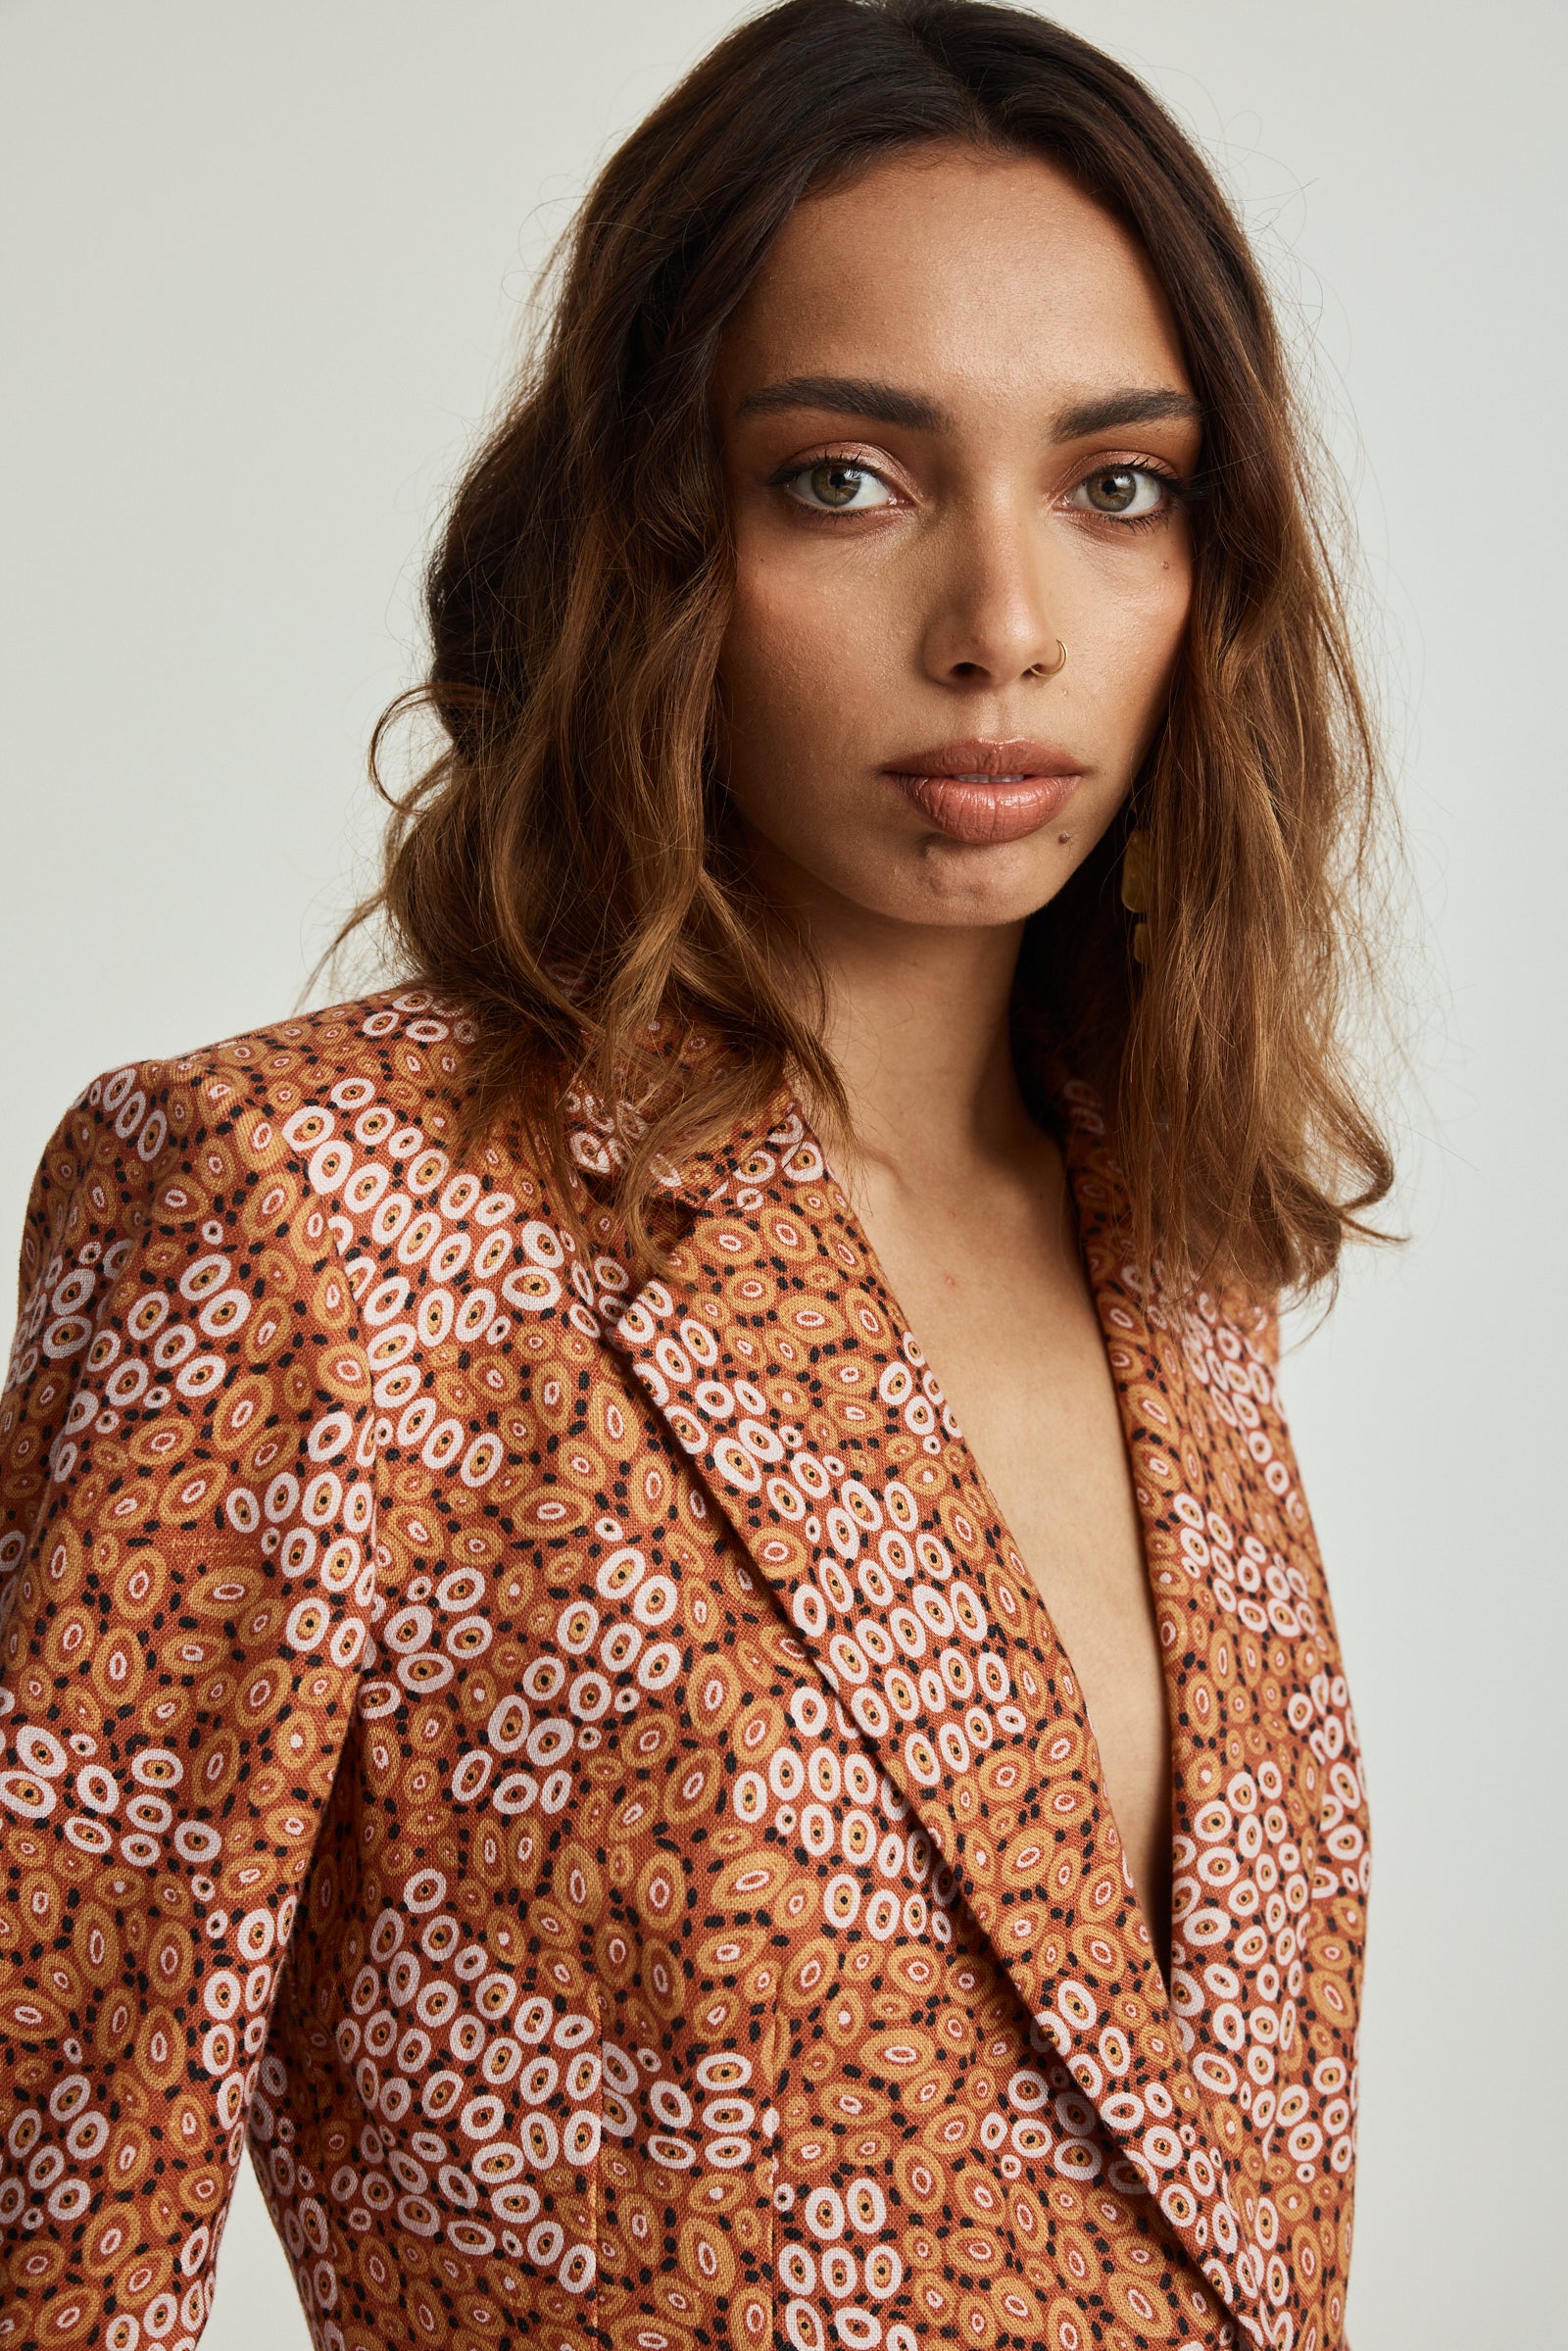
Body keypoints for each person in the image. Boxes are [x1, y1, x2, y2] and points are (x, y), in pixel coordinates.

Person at [0, 3, 1393, 2344]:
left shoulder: (1172, 1252)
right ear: (648, 529)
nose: (1002, 632)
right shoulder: (303, 1215)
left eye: (1114, 485)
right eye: (841, 478)